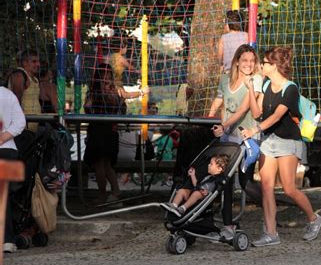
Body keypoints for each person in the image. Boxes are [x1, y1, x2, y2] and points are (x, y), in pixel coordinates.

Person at [241, 46, 321, 247]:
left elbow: (278, 115)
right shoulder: (267, 85)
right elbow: (257, 113)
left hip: (289, 142)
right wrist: (251, 89)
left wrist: (255, 130)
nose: (261, 65)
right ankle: (271, 233)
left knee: (288, 189)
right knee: (266, 187)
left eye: (265, 63)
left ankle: (313, 218)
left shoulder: (290, 88)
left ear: (274, 65)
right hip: (269, 141)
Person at [208, 44, 263, 240]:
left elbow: (244, 109)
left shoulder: (255, 80)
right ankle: (228, 223)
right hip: (228, 137)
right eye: (245, 60)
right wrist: (211, 116)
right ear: (237, 61)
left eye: (252, 60)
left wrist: (225, 125)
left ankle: (269, 209)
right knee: (226, 181)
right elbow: (220, 101)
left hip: (246, 137)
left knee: (245, 181)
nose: (249, 64)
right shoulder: (225, 79)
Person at [83, 64, 149, 203]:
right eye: (105, 74)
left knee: (99, 165)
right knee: (105, 165)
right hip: (109, 130)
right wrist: (142, 92)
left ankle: (104, 194)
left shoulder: (97, 90)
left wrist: (141, 92)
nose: (107, 77)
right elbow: (128, 95)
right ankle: (115, 191)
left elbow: (87, 108)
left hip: (100, 130)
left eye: (107, 74)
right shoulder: (113, 89)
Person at [0, 86, 26, 253]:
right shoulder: (7, 94)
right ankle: (7, 239)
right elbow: (20, 122)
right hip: (7, 149)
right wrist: (3, 137)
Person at [161, 154, 230, 217]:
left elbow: (216, 191)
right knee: (182, 191)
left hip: (203, 198)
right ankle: (174, 205)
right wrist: (193, 175)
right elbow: (196, 185)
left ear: (219, 169)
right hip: (195, 194)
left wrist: (208, 193)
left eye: (211, 164)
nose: (208, 165)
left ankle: (182, 209)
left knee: (196, 193)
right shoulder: (207, 177)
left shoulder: (219, 180)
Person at [8, 50, 42, 116]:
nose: (38, 64)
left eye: (38, 61)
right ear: (25, 62)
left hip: (34, 122)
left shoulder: (35, 78)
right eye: (34, 61)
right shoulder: (19, 76)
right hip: (24, 122)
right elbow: (15, 102)